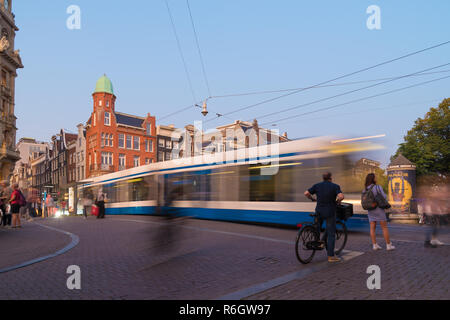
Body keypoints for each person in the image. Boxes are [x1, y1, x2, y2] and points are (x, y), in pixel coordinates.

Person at [304, 172, 345, 263]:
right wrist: (337, 201)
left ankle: (318, 243)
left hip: (318, 211)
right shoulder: (335, 186)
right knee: (331, 234)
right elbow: (341, 196)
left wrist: (312, 199)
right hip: (330, 212)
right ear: (330, 178)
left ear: (323, 178)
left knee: (317, 229)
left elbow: (306, 193)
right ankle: (331, 256)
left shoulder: (317, 185)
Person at [364, 173, 395, 251]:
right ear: (373, 179)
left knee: (372, 228)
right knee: (384, 227)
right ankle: (388, 245)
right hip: (379, 209)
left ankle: (374, 245)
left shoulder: (365, 189)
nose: (376, 178)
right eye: (375, 177)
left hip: (370, 209)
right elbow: (384, 196)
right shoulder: (378, 187)